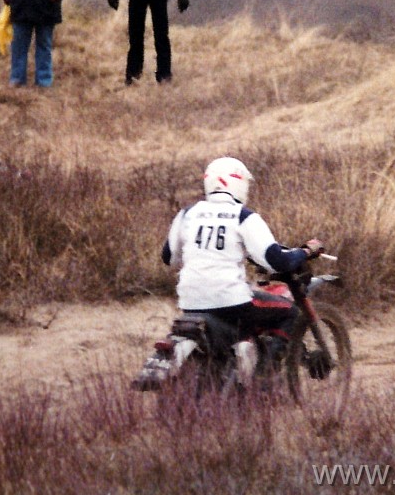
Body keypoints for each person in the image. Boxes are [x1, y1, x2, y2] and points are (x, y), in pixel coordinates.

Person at [134, 157, 323, 390]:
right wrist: (305, 251)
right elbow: (277, 260)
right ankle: (265, 374)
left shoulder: (187, 214)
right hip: (232, 301)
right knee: (291, 313)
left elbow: (169, 257)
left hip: (190, 302)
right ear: (238, 183)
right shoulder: (243, 216)